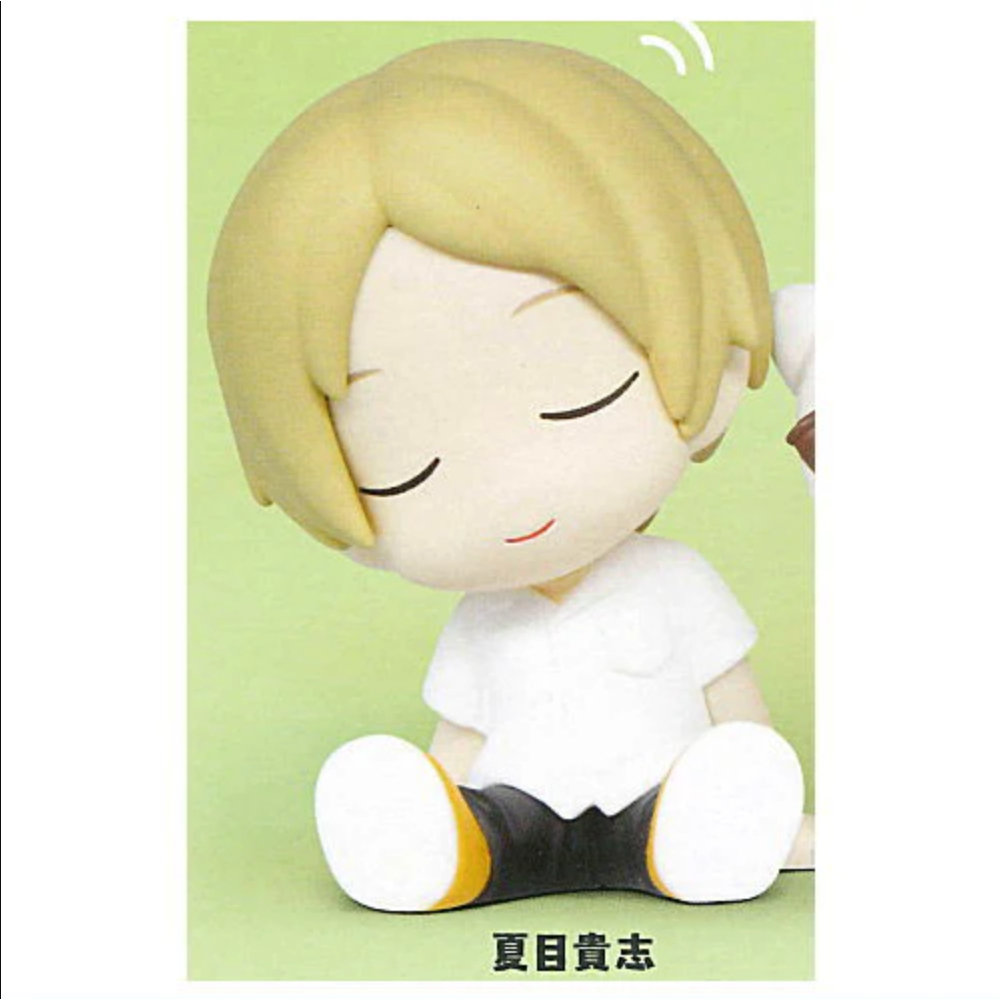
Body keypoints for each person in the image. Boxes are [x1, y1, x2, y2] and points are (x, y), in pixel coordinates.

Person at [209, 38, 811, 911]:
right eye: (409, 471)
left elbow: (732, 702)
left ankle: (712, 834)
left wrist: (777, 805)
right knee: (478, 825)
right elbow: (463, 733)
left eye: (580, 401)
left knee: (716, 782)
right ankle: (448, 855)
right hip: (517, 814)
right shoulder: (484, 619)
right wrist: (432, 797)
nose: (512, 490)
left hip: (664, 793)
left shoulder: (675, 580)